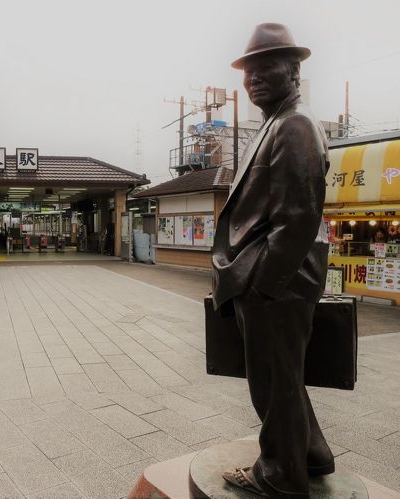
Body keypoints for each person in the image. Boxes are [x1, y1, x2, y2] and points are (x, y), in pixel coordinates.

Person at [211, 23, 333, 498]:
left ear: (294, 70)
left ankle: (280, 476)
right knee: (284, 378)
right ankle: (313, 453)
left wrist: (263, 284)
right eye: (249, 70)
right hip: (267, 279)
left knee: (273, 383)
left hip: (275, 282)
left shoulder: (296, 124)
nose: (254, 78)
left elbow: (298, 216)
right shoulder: (277, 122)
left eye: (267, 67)